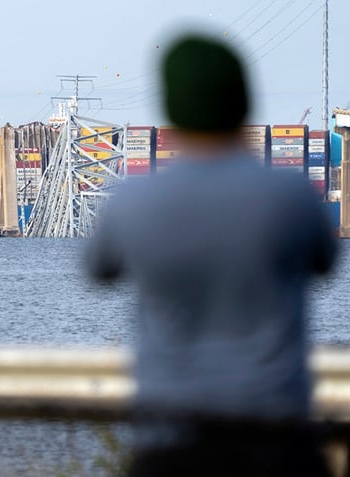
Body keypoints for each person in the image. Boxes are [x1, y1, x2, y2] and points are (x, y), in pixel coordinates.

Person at [86, 34, 337, 477]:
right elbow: (325, 263)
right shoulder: (293, 196)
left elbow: (99, 270)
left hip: (171, 442)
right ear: (242, 100)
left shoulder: (132, 202)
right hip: (278, 438)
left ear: (170, 109)